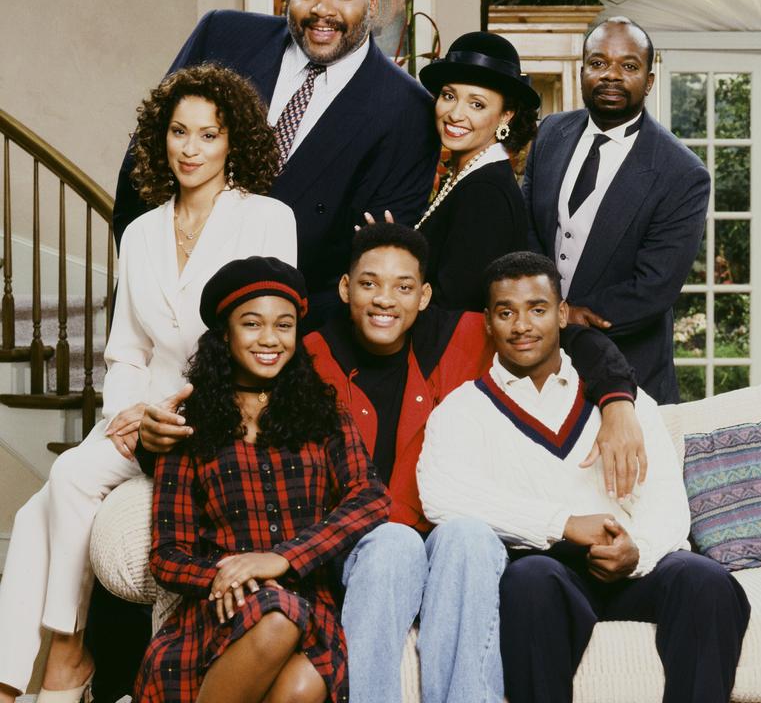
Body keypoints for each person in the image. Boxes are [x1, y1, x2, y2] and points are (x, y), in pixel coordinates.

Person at [141, 223, 646, 703]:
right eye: (369, 284)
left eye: (403, 286)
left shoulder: (460, 337)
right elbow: (184, 499)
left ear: (423, 296)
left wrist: (619, 400)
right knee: (394, 541)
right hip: (353, 557)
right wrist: (147, 441)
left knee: (466, 535)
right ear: (344, 289)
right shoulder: (310, 362)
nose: (385, 299)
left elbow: (563, 335)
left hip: (399, 549)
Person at [0, 64, 296, 703]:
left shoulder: (268, 218)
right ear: (161, 138)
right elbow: (127, 350)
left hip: (222, 416)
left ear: (232, 142)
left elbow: (271, 333)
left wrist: (183, 415)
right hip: (146, 413)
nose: (190, 149)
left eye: (208, 135)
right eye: (178, 132)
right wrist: (130, 415)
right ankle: (12, 681)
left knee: (69, 479)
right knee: (35, 514)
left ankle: (66, 662)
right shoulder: (138, 233)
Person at [417, 251, 751, 703]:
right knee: (531, 581)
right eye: (506, 312)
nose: (522, 325)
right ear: (488, 322)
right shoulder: (462, 409)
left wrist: (637, 552)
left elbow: (668, 503)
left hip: (633, 565)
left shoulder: (624, 406)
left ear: (560, 314)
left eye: (537, 309)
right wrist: (563, 523)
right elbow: (441, 494)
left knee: (706, 580)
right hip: (547, 571)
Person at [113, 0, 440, 329]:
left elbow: (367, 263)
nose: (322, 9)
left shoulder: (408, 111)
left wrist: (268, 337)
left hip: (285, 339)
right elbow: (144, 160)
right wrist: (147, 282)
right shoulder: (223, 35)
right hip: (162, 307)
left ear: (371, 2)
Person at [135, 256, 389, 703]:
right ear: (225, 334)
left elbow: (370, 498)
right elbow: (167, 555)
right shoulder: (189, 426)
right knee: (279, 620)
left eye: (285, 325)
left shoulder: (325, 415)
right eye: (252, 324)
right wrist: (232, 575)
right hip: (223, 610)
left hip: (309, 603)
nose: (270, 339)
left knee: (305, 676)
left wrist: (283, 559)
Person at [523, 16, 710, 403]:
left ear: (650, 79)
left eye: (628, 66)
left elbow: (654, 286)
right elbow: (526, 234)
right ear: (581, 72)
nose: (611, 75)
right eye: (598, 63)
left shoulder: (682, 172)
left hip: (630, 372)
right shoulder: (551, 134)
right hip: (535, 366)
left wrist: (566, 315)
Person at [416, 31, 539, 310]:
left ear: (506, 114)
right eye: (449, 95)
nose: (456, 114)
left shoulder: (485, 193)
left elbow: (455, 304)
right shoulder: (468, 177)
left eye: (477, 104)